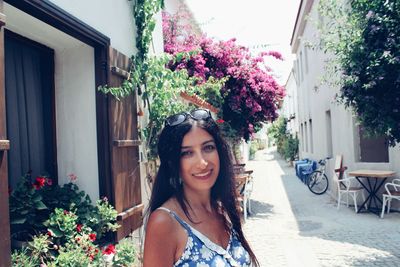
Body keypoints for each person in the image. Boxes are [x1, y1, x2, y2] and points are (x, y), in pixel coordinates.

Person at [143, 108, 259, 267]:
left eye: (208, 148)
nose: (202, 163)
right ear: (172, 163)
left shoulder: (225, 210)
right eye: (187, 153)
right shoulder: (164, 223)